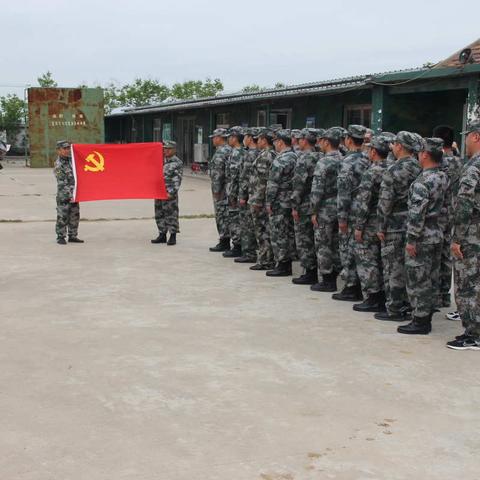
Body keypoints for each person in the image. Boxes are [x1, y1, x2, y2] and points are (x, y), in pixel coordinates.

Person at [398, 138, 448, 335]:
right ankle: (425, 316)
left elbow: (417, 213)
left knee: (417, 279)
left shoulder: (422, 181)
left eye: (419, 153)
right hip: (437, 234)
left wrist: (412, 239)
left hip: (422, 237)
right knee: (430, 277)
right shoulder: (444, 177)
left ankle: (420, 321)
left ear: (425, 154)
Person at [375, 131, 422, 321]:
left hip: (394, 225)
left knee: (392, 267)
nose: (392, 147)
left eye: (394, 144)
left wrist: (380, 227)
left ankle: (394, 308)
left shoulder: (393, 170)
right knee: (410, 268)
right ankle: (410, 305)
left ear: (400, 146)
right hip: (412, 224)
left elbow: (385, 203)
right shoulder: (420, 166)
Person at [448, 120, 480, 350]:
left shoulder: (473, 166)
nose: (465, 141)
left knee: (467, 285)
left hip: (471, 234)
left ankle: (474, 334)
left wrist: (458, 237)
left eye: (467, 136)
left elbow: (465, 203)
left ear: (476, 137)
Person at [352, 135, 390, 312]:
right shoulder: (392, 168)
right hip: (385, 222)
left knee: (367, 258)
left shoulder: (372, 172)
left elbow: (363, 202)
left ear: (373, 151)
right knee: (382, 261)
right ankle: (383, 296)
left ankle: (373, 297)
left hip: (370, 223)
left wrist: (358, 226)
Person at [334, 124, 368, 301]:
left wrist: (342, 217)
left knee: (347, 249)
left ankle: (351, 287)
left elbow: (344, 192)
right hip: (364, 211)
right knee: (360, 250)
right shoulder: (367, 158)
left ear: (348, 140)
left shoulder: (347, 162)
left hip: (351, 211)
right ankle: (359, 286)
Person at [432, 125, 464, 311]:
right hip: (453, 213)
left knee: (434, 255)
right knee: (446, 256)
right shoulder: (460, 162)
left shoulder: (438, 162)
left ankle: (435, 295)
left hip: (437, 214)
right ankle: (444, 295)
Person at [310, 127, 344, 292]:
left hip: (324, 208)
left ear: (326, 142)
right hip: (339, 206)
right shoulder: (343, 159)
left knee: (323, 243)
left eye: (321, 140)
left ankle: (328, 279)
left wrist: (314, 210)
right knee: (337, 243)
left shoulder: (324, 161)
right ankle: (338, 274)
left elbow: (317, 189)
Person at [265, 129, 297, 277]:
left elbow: (273, 183)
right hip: (290, 200)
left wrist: (269, 202)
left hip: (279, 201)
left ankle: (283, 264)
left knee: (279, 233)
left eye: (275, 142)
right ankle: (286, 263)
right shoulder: (295, 157)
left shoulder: (281, 159)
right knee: (289, 232)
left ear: (281, 142)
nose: (274, 145)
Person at [291, 128, 319, 285]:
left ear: (305, 141)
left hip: (303, 205)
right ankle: (314, 271)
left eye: (300, 139)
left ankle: (309, 272)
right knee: (314, 240)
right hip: (315, 204)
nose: (297, 141)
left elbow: (298, 184)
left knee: (304, 240)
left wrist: (294, 205)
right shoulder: (319, 156)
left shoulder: (304, 159)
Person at [249, 129, 275, 271]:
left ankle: (265, 260)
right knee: (265, 230)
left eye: (259, 139)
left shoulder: (266, 156)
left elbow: (262, 181)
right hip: (264, 199)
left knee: (262, 230)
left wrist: (257, 201)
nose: (257, 141)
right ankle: (268, 258)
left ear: (264, 140)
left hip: (260, 199)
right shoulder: (271, 154)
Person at [151, 140, 183, 246]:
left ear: (174, 150)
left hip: (169, 193)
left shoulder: (177, 163)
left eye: (168, 149)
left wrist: (172, 192)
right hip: (159, 191)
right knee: (159, 213)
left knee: (171, 214)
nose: (166, 151)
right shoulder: (161, 161)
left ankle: (173, 235)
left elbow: (177, 179)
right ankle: (162, 234)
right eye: (165, 149)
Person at [54, 140, 83, 245]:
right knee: (63, 216)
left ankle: (73, 235)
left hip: (75, 194)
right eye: (64, 149)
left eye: (68, 149)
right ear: (58, 150)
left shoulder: (72, 161)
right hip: (64, 195)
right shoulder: (58, 164)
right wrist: (71, 194)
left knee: (74, 215)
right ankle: (60, 236)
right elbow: (62, 182)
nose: (67, 151)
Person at [237, 127, 259, 263]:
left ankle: (249, 253)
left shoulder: (251, 154)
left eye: (245, 137)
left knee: (247, 225)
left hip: (249, 194)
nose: (243, 139)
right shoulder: (258, 153)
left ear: (250, 138)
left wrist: (242, 196)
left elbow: (245, 177)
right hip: (254, 194)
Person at [223, 126, 246, 258]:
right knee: (234, 218)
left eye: (230, 137)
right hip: (233, 191)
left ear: (235, 138)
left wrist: (233, 194)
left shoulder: (238, 153)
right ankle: (236, 244)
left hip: (235, 193)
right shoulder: (235, 152)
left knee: (235, 219)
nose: (228, 140)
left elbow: (236, 176)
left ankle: (238, 246)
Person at [208, 128, 232, 252]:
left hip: (222, 191)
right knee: (228, 215)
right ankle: (227, 240)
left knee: (221, 216)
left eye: (214, 137)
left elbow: (218, 174)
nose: (213, 140)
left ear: (219, 138)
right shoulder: (230, 150)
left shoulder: (221, 152)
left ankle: (224, 241)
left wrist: (216, 191)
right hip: (229, 189)